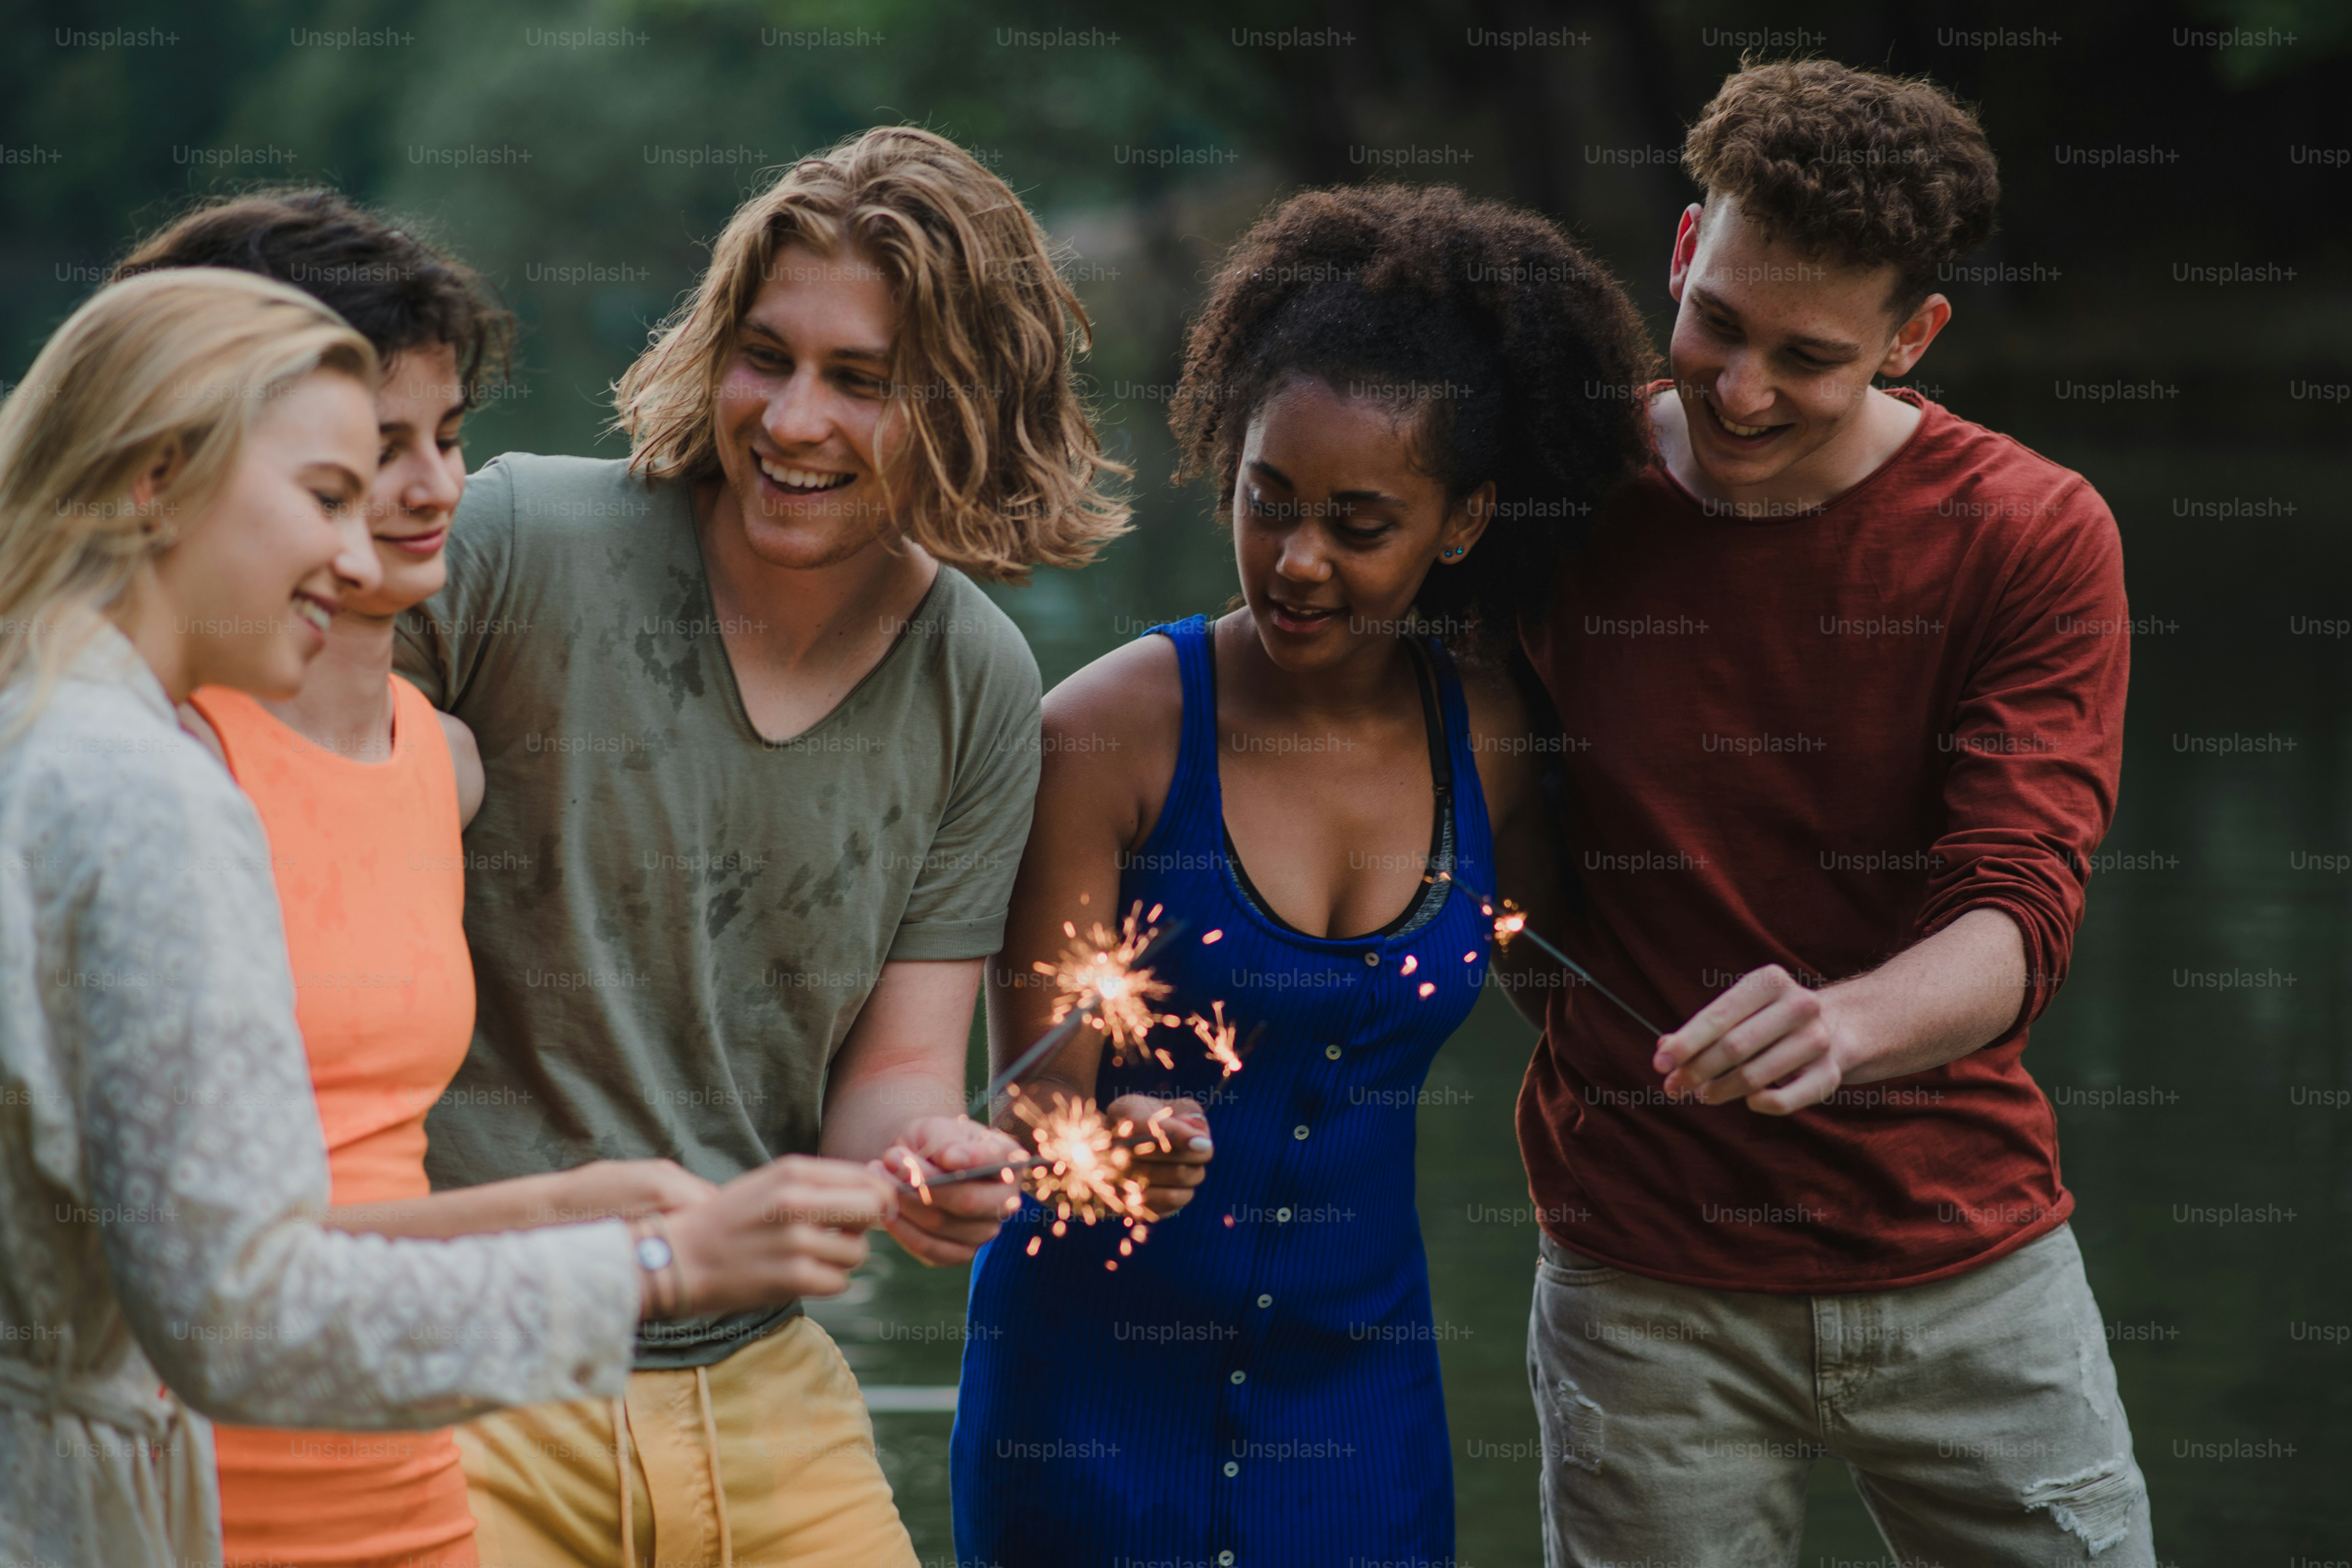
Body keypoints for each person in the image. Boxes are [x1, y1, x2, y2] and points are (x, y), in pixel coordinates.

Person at [0, 268, 898, 1568]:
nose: (362, 553)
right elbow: (239, 1321)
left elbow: (210, 1252)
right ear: (157, 483)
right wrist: (661, 1271)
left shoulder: (53, 734)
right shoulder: (146, 792)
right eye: (326, 496)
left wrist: (567, 1207)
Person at [391, 125, 1129, 1567]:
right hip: (456, 1342)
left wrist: (931, 1156)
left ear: (977, 408)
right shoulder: (508, 541)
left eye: (863, 383)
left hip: (756, 1371)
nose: (792, 422)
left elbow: (900, 1072)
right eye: (766, 355)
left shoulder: (978, 681)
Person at [953, 184, 1653, 1564]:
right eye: (1267, 503)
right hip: (1087, 1406)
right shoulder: (1107, 737)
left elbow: (1577, 993)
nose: (1298, 560)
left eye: (1359, 521)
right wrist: (1114, 1155)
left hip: (1360, 1409)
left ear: (1463, 523)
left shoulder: (1494, 741)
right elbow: (1034, 1110)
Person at [1517, 58, 2151, 1566]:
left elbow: (2021, 906)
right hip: (1641, 1273)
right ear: (1682, 251)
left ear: (1913, 335)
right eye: (1716, 325)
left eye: (1807, 357)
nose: (1739, 393)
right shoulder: (1549, 488)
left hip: (1967, 1259)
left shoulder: (2032, 534)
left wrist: (1842, 1030)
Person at [109, 191, 734, 1568]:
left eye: (446, 439)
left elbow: (378, 1183)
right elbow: (183, 1255)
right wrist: (619, 1246)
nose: (433, 488)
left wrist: (617, 1206)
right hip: (186, 1499)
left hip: (412, 1487)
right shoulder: (143, 767)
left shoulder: (441, 764)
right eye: (367, 458)